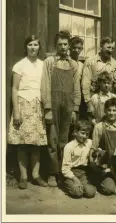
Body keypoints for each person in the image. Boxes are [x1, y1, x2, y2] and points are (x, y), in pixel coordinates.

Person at [41, 30, 81, 187]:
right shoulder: (49, 62)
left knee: (65, 140)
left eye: (65, 44)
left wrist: (75, 109)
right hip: (54, 104)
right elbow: (45, 86)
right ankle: (52, 172)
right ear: (55, 45)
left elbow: (76, 87)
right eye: (60, 44)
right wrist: (48, 108)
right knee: (53, 139)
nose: (63, 47)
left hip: (68, 105)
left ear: (69, 45)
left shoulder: (74, 64)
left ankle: (63, 172)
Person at [8, 35, 48, 189]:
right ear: (26, 47)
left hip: (38, 105)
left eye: (35, 45)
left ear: (39, 47)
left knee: (36, 144)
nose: (33, 47)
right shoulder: (19, 65)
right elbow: (15, 89)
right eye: (30, 44)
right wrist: (16, 112)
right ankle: (23, 177)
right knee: (23, 144)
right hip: (23, 104)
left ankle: (36, 175)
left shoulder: (43, 65)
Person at [89, 98, 116, 195]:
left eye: (114, 110)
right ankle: (101, 180)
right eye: (109, 110)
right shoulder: (99, 127)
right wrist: (95, 166)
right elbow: (94, 148)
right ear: (105, 110)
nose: (111, 113)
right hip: (105, 166)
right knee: (108, 190)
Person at [81, 37, 116, 112]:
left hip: (108, 102)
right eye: (108, 47)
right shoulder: (90, 62)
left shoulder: (114, 63)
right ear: (101, 46)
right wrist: (88, 103)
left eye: (112, 48)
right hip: (93, 100)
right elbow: (85, 83)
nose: (110, 50)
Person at [62, 120, 97, 198]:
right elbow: (65, 169)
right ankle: (64, 182)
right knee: (78, 193)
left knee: (90, 192)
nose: (84, 136)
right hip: (71, 172)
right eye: (82, 133)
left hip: (83, 172)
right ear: (75, 132)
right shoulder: (69, 147)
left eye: (87, 134)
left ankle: (82, 185)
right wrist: (75, 179)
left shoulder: (90, 143)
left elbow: (98, 149)